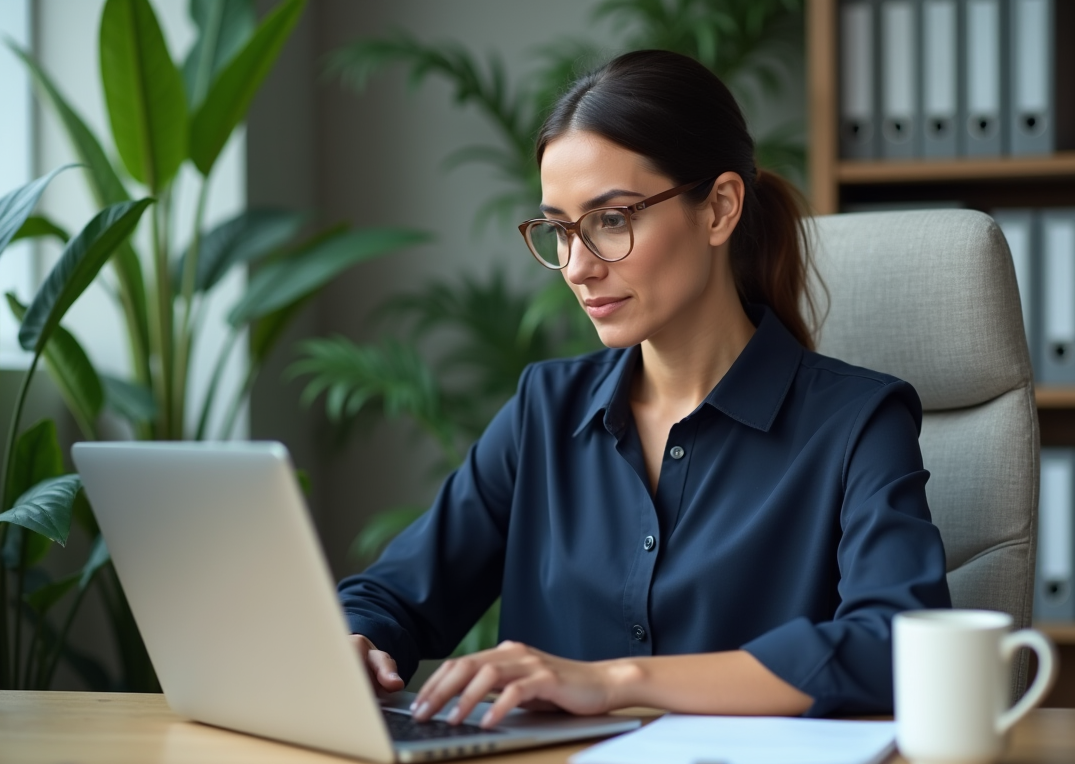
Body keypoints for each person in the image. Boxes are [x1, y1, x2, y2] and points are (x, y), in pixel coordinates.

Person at [337, 49, 951, 729]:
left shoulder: (858, 422)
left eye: (611, 220)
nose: (576, 267)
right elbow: (394, 596)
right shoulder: (546, 410)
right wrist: (356, 641)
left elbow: (898, 645)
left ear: (719, 209)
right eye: (559, 230)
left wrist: (615, 682)